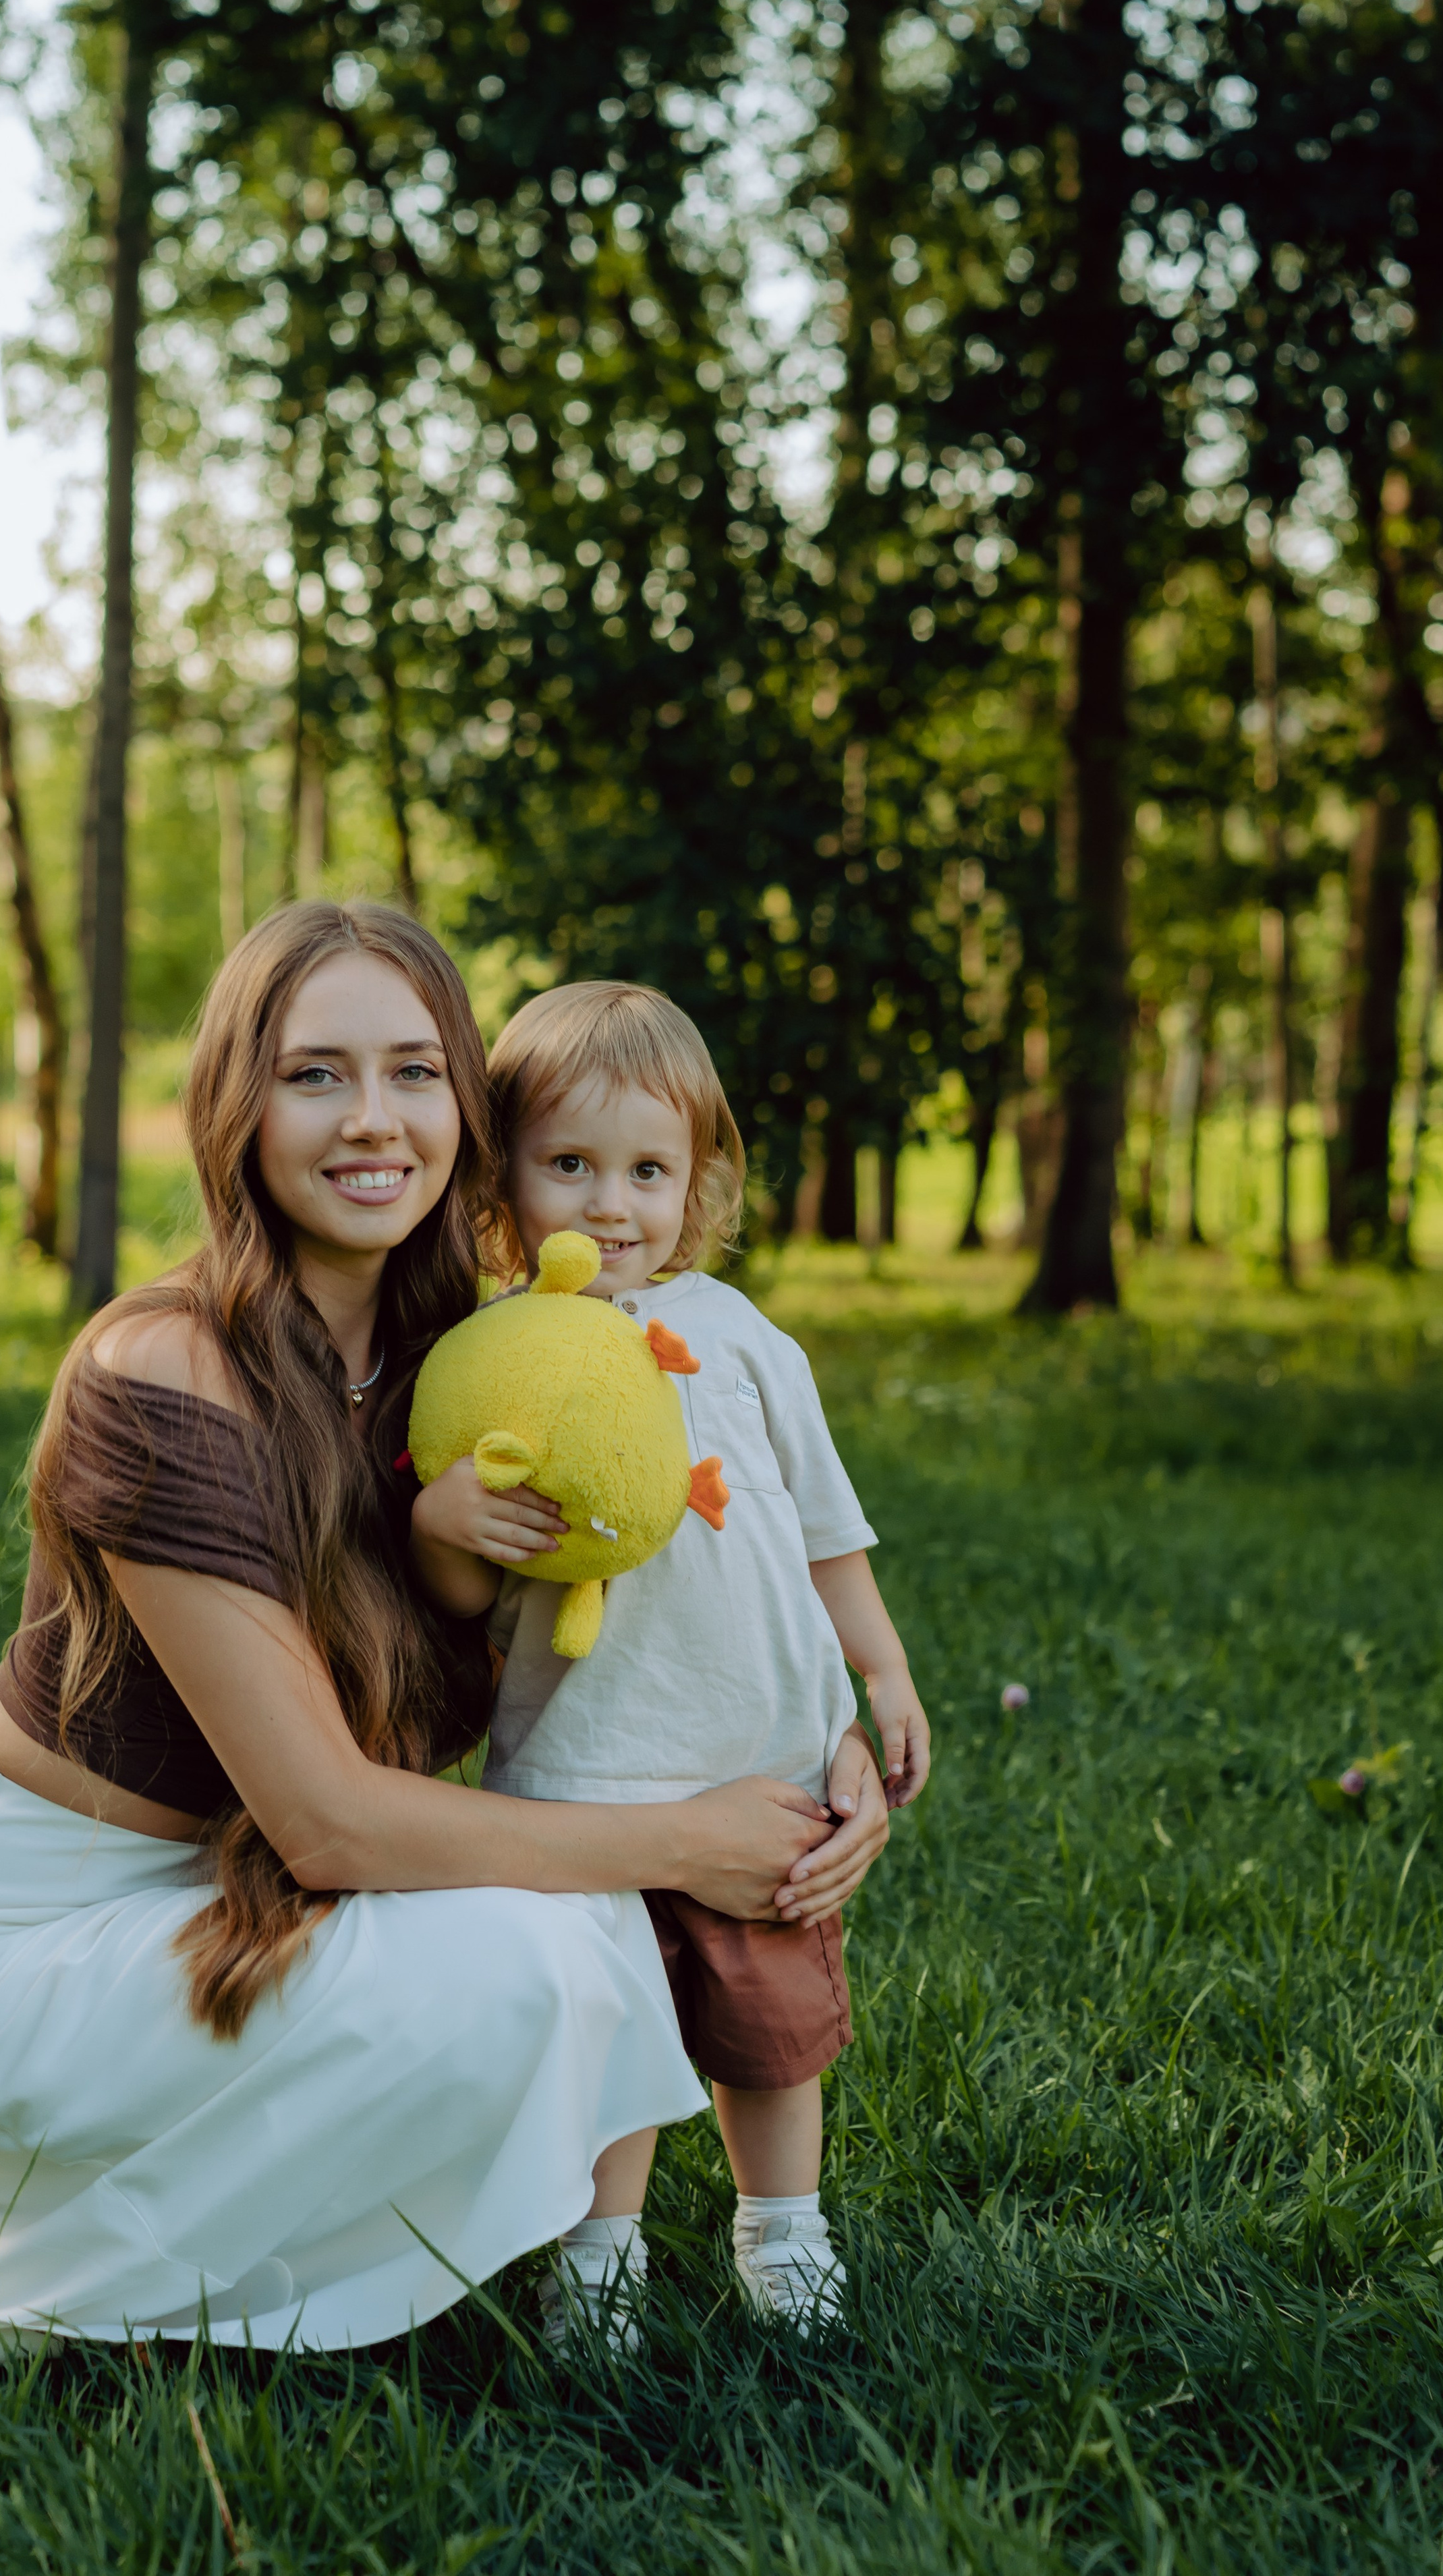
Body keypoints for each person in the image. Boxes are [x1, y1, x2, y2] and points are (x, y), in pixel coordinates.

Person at [0, 904, 890, 2357]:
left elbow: (680, 1598)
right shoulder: (162, 1368)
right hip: (10, 1956)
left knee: (568, 1931)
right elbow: (327, 1824)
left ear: (467, 1113)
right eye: (315, 1074)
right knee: (555, 1943)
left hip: (221, 1908)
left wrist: (816, 1751)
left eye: (414, 1072)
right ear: (237, 1105)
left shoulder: (476, 1363)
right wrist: (691, 1843)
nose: (372, 1118)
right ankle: (70, 2247)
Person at [407, 981, 930, 2337]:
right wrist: (444, 1525)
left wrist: (882, 1677)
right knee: (607, 2034)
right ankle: (597, 2258)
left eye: (648, 1170)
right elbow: (463, 1603)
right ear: (503, 1180)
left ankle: (783, 2230)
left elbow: (826, 1535)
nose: (610, 1204)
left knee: (772, 2031)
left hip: (759, 1760)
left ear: (698, 1180)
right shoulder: (495, 1355)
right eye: (569, 1165)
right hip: (580, 1772)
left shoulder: (746, 1341)